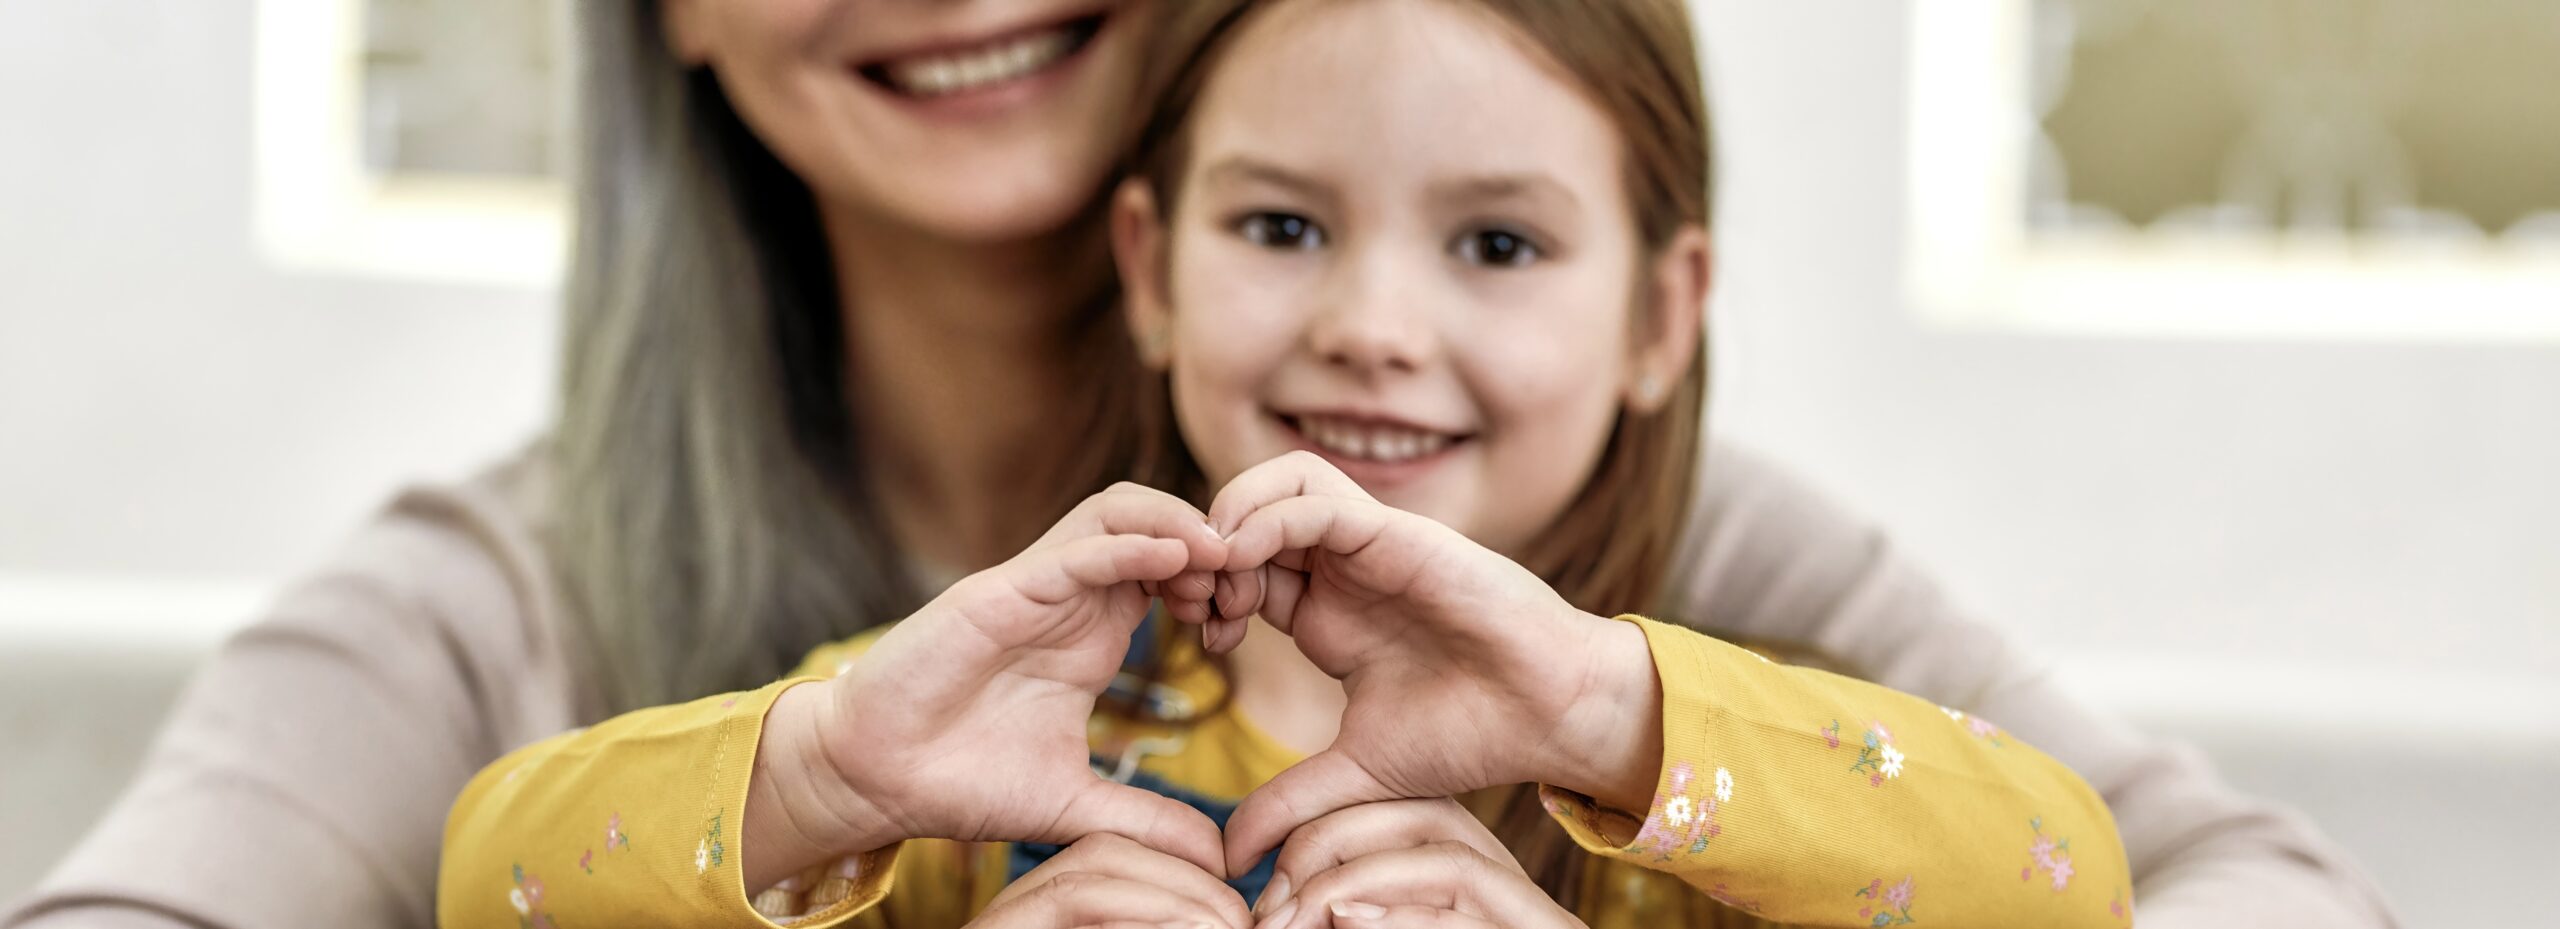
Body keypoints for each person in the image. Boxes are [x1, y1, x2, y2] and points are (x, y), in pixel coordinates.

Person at [4, 1, 2394, 927]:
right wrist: (824, 770)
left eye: (1492, 245)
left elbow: (2087, 872)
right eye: (1283, 232)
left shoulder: (1658, 640)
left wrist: (1617, 723)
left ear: (1666, 317)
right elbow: (489, 865)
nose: (1375, 329)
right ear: (1156, 268)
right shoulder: (983, 703)